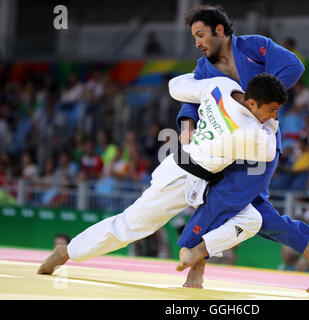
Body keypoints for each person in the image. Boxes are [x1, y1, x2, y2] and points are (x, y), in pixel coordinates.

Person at [36, 73, 285, 278]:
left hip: (203, 175)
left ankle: (198, 250)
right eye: (272, 110)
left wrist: (202, 89)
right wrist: (272, 124)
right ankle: (67, 252)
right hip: (182, 177)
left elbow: (176, 87)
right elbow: (268, 151)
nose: (273, 117)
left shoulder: (222, 86)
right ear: (252, 103)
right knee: (132, 225)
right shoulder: (248, 131)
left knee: (252, 219)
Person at [174, 5, 309, 292]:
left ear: (219, 30)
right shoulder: (203, 68)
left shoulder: (253, 46)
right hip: (224, 146)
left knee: (222, 200)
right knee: (252, 212)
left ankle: (192, 254)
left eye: (200, 35)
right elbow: (192, 99)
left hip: (258, 144)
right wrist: (187, 124)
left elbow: (293, 66)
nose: (197, 43)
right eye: (194, 37)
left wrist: (260, 94)